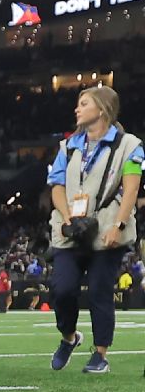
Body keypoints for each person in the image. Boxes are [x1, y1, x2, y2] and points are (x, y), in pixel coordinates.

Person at [47, 86, 143, 374]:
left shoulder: (130, 145)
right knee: (61, 289)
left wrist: (119, 225)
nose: (77, 109)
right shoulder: (69, 146)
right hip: (72, 228)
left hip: (107, 229)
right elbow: (57, 186)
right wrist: (66, 218)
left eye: (83, 103)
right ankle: (70, 337)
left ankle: (100, 353)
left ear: (101, 109)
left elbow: (131, 189)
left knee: (101, 291)